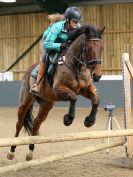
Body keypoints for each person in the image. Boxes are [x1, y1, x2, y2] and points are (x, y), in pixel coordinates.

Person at [30, 6, 82, 95]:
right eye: (74, 21)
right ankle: (37, 84)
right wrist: (60, 45)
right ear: (68, 20)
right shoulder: (56, 27)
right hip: (47, 42)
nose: (76, 24)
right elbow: (47, 44)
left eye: (78, 21)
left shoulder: (78, 27)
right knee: (46, 58)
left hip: (64, 45)